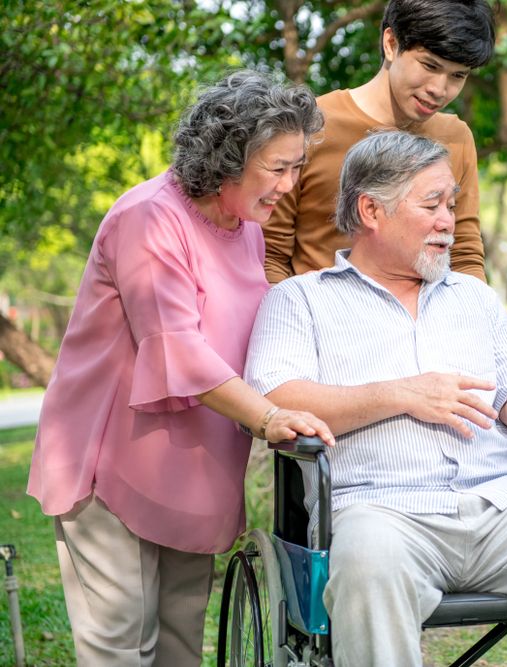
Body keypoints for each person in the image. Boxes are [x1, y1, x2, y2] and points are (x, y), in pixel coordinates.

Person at [244, 130, 507, 666]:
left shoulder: (475, 300)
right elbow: (276, 398)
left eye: (451, 205)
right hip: (382, 511)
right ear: (371, 209)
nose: (448, 222)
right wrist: (401, 395)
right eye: (432, 204)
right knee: (367, 560)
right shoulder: (301, 300)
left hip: (503, 506)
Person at [26, 71, 334, 667]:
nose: (290, 186)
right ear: (228, 157)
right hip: (113, 463)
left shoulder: (245, 227)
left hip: (195, 469)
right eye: (279, 167)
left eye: (297, 168)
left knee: (177, 648)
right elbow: (177, 349)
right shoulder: (148, 217)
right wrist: (268, 416)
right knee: (121, 647)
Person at [263, 0, 494, 283]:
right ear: (391, 43)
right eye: (429, 65)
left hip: (423, 322)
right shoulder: (310, 126)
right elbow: (269, 253)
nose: (439, 89)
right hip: (318, 319)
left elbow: (464, 256)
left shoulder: (456, 138)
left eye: (457, 75)